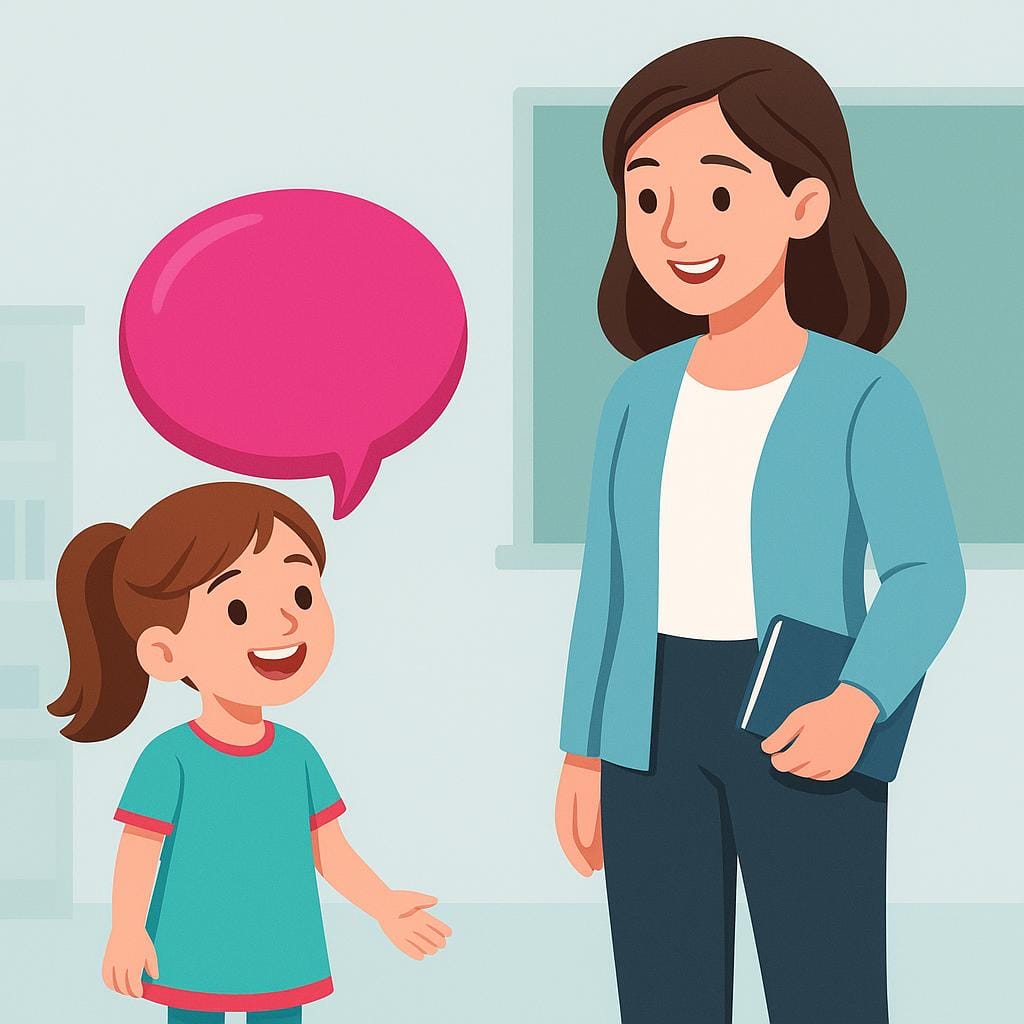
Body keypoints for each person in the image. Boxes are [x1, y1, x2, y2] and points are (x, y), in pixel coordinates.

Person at [554, 37, 965, 1024]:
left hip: (799, 710)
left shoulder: (866, 390)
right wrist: (579, 752)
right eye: (646, 196)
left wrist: (858, 700)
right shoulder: (635, 396)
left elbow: (925, 572)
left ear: (803, 205)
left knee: (825, 988)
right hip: (648, 720)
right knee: (663, 991)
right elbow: (604, 585)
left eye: (719, 193)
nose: (676, 227)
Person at [49, 481, 451, 1022]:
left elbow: (327, 849)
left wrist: (383, 905)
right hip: (191, 952)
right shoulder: (170, 759)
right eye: (237, 608)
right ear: (164, 652)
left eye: (301, 595)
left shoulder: (299, 756)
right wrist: (126, 928)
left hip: (284, 952)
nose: (286, 623)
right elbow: (139, 849)